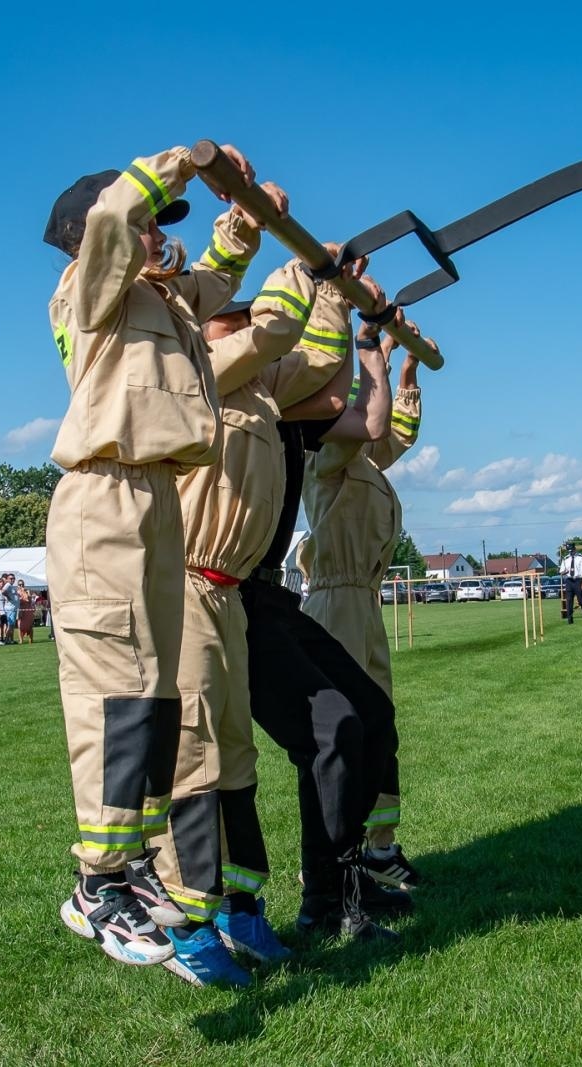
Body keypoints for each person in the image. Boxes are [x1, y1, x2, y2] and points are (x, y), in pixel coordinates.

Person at [43, 142, 270, 972]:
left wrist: (243, 224)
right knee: (115, 690)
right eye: (147, 227)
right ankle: (95, 879)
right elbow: (113, 219)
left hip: (157, 503)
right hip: (103, 495)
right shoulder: (87, 286)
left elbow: (215, 282)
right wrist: (180, 162)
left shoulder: (162, 300)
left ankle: (132, 865)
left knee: (152, 692)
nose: (152, 240)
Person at [149, 254, 354, 986]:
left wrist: (333, 295)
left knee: (236, 759)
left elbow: (325, 362)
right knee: (194, 762)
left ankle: (240, 905)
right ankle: (187, 925)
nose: (239, 323)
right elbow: (272, 337)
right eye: (229, 314)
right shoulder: (201, 369)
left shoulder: (261, 389)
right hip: (184, 587)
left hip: (230, 594)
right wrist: (304, 270)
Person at [237, 278, 412, 944]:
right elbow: (332, 390)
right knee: (332, 731)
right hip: (224, 595)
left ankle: (346, 883)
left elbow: (354, 411)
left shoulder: (276, 401)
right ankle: (325, 897)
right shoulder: (227, 390)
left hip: (264, 594)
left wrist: (367, 345)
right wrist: (335, 304)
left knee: (371, 715)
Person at [298, 320, 429, 890]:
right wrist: (368, 351)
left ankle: (378, 846)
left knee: (380, 727)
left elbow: (395, 433)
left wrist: (405, 370)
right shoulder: (328, 457)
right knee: (349, 731)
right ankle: (336, 859)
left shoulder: (366, 465)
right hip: (335, 603)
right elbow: (361, 421)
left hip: (363, 604)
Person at [560, 546, 582, 623]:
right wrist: (565, 572)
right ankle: (570, 620)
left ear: (575, 549)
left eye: (572, 551)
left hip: (578, 580)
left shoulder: (581, 558)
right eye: (569, 551)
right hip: (569, 580)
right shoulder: (565, 559)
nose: (570, 552)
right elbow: (561, 571)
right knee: (569, 600)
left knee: (581, 600)